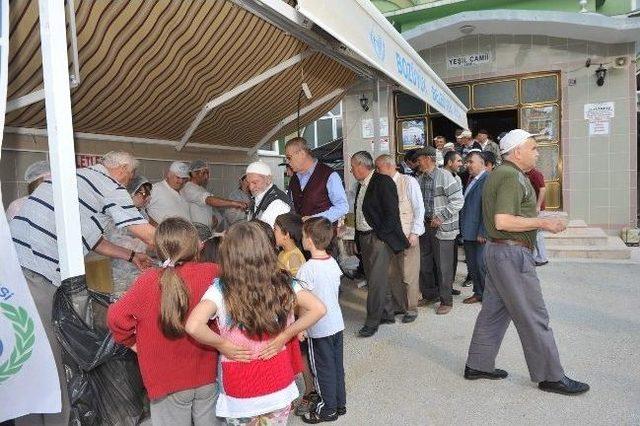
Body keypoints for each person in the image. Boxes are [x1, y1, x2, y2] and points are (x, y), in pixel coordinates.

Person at [10, 151, 155, 425]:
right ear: (122, 169)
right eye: (131, 175)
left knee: (37, 353)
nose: (130, 181)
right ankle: (54, 417)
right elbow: (140, 228)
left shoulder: (75, 179)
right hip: (34, 274)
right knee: (47, 354)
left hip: (19, 271)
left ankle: (44, 414)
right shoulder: (108, 185)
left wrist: (132, 256)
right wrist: (186, 249)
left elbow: (92, 240)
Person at [464, 129, 589, 395]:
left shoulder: (504, 174)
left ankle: (478, 364)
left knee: (494, 312)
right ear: (517, 151)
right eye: (533, 147)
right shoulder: (510, 176)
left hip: (499, 253)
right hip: (510, 254)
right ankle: (551, 376)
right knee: (534, 315)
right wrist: (544, 222)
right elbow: (503, 221)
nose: (537, 152)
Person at [185, 221, 326, 424]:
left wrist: (222, 344)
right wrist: (285, 335)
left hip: (241, 388)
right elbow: (318, 308)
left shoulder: (221, 289)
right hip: (278, 382)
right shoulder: (283, 283)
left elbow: (193, 325)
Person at [107, 218, 220, 426]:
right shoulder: (212, 272)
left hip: (166, 381)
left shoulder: (149, 280)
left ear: (157, 248)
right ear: (197, 244)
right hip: (207, 374)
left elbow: (115, 317)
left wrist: (134, 344)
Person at [350, 151, 408, 337]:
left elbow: (392, 214)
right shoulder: (361, 185)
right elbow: (360, 212)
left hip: (377, 239)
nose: (351, 171)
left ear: (361, 165)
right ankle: (386, 314)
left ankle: (372, 321)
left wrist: (380, 236)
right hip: (365, 238)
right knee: (378, 279)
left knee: (375, 282)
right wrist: (357, 239)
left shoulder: (383, 181)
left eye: (352, 167)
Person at [296, 218, 346, 423]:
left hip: (318, 328)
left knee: (321, 369)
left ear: (308, 240)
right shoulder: (332, 262)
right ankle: (339, 403)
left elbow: (302, 301)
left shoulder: (307, 269)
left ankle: (327, 409)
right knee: (336, 366)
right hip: (336, 324)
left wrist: (300, 326)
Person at [375, 154, 424, 323]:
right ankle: (399, 306)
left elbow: (419, 209)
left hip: (407, 236)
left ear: (389, 166)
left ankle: (411, 308)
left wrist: (415, 232)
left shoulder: (409, 182)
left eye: (378, 168)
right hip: (390, 238)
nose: (377, 172)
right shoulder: (381, 186)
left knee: (409, 274)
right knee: (393, 274)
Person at [414, 147, 464, 315]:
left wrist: (441, 217)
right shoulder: (420, 179)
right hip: (425, 227)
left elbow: (458, 201)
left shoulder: (445, 176)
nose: (418, 162)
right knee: (425, 263)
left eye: (420, 159)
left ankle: (446, 300)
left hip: (442, 227)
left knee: (444, 266)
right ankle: (430, 294)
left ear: (428, 159)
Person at [105, 175, 153, 295]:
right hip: (120, 269)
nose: (147, 198)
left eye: (148, 194)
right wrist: (146, 245)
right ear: (130, 193)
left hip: (137, 264)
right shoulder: (116, 213)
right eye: (143, 194)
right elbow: (115, 241)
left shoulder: (141, 212)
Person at [284, 137, 349, 223]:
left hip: (324, 234)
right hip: (302, 234)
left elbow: (342, 207)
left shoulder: (329, 175)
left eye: (289, 157)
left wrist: (316, 218)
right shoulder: (294, 179)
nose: (288, 162)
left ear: (302, 154)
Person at [181, 160, 248, 231]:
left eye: (207, 173)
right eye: (203, 173)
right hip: (197, 231)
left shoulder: (200, 188)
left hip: (206, 230)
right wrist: (235, 203)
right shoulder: (189, 188)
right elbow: (209, 200)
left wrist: (215, 218)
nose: (206, 177)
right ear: (194, 174)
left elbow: (208, 207)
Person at [459, 152, 489, 304]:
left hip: (479, 233)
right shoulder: (472, 179)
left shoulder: (487, 179)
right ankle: (478, 292)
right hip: (468, 231)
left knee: (481, 265)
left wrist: (483, 231)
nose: (468, 165)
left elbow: (488, 207)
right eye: (467, 162)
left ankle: (488, 296)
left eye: (471, 162)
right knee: (472, 265)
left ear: (482, 163)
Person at [442, 150, 464, 295]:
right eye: (458, 161)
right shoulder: (441, 176)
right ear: (449, 162)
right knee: (444, 261)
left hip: (454, 225)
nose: (461, 164)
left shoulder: (457, 177)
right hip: (443, 225)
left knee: (452, 259)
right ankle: (443, 289)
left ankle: (448, 287)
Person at [245, 161, 292, 228]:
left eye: (255, 182)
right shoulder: (258, 196)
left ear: (268, 179)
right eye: (248, 183)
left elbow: (264, 234)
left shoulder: (278, 203)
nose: (250, 187)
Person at [526, 167, 549, 266]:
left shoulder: (535, 174)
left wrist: (538, 205)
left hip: (537, 209)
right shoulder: (526, 174)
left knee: (538, 234)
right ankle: (536, 257)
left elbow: (543, 189)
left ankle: (542, 258)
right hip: (532, 209)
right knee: (534, 234)